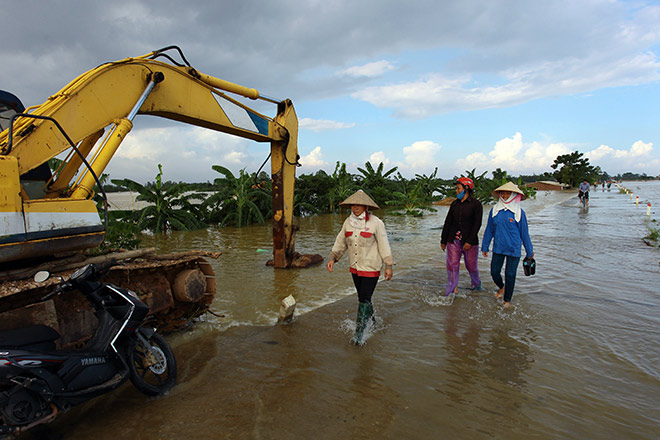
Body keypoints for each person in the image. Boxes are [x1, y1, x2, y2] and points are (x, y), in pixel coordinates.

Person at [327, 190, 394, 345]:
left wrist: (388, 265)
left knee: (363, 298)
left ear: (366, 206)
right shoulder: (347, 222)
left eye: (359, 205)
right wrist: (333, 258)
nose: (355, 208)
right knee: (363, 298)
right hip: (355, 268)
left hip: (371, 268)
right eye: (353, 205)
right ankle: (373, 323)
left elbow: (384, 245)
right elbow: (340, 242)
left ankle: (358, 335)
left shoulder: (376, 223)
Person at [481, 182, 534, 308]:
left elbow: (524, 233)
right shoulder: (495, 211)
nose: (504, 195)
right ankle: (502, 287)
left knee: (510, 274)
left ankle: (507, 300)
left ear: (513, 195)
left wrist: (529, 251)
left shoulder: (519, 213)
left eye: (507, 193)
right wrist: (485, 246)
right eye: (502, 193)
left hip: (513, 248)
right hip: (498, 247)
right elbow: (489, 229)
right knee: (494, 272)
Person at [440, 177, 483, 296]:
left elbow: (477, 224)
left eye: (458, 188)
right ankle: (453, 289)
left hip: (470, 241)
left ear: (467, 188)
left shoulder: (476, 205)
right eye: (456, 189)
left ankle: (476, 284)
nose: (457, 191)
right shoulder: (454, 204)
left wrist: (469, 241)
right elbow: (448, 222)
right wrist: (443, 240)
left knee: (471, 266)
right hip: (453, 239)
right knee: (452, 265)